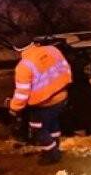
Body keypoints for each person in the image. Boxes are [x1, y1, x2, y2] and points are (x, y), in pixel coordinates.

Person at [7, 33, 72, 165]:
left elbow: (22, 94)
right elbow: (66, 69)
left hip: (44, 104)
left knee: (37, 128)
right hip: (62, 96)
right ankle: (56, 146)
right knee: (53, 123)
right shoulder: (52, 50)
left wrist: (13, 107)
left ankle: (52, 155)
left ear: (16, 49)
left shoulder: (23, 67)